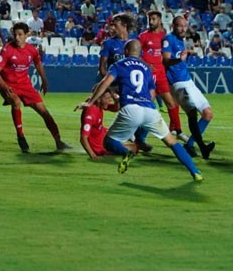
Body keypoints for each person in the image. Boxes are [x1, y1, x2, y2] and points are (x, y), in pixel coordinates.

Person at [79, 40, 203, 180]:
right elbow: (151, 92)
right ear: (140, 53)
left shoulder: (119, 64)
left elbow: (104, 83)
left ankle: (127, 153)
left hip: (131, 109)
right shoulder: (146, 68)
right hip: (150, 109)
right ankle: (195, 171)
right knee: (172, 142)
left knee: (108, 142)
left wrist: (91, 102)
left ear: (125, 52)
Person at [0, 22, 70, 153]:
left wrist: (44, 80)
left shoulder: (32, 50)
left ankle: (59, 142)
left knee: (45, 113)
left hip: (25, 85)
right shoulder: (7, 49)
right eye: (15, 34)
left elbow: (38, 64)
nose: (17, 37)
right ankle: (20, 136)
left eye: (20, 35)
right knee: (16, 102)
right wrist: (4, 87)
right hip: (9, 85)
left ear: (27, 35)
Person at [162, 16, 215, 159]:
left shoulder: (181, 40)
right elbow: (165, 60)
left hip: (188, 81)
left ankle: (190, 145)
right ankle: (202, 148)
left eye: (185, 26)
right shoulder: (168, 39)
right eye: (180, 26)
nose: (183, 29)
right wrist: (179, 59)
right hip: (178, 84)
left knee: (208, 114)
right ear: (173, 26)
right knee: (192, 114)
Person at [139, 10, 186, 139]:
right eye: (150, 19)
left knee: (171, 103)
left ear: (159, 20)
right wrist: (146, 64)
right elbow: (136, 54)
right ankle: (139, 137)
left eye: (153, 19)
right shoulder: (143, 36)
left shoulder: (166, 37)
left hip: (161, 74)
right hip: (148, 75)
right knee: (147, 104)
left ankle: (178, 130)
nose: (151, 21)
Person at [77, 88, 136, 161]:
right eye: (107, 98)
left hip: (103, 134)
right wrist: (93, 156)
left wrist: (117, 100)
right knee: (134, 148)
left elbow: (115, 109)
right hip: (100, 146)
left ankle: (124, 137)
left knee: (132, 145)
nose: (109, 101)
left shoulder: (98, 104)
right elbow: (83, 138)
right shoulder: (90, 115)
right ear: (98, 99)